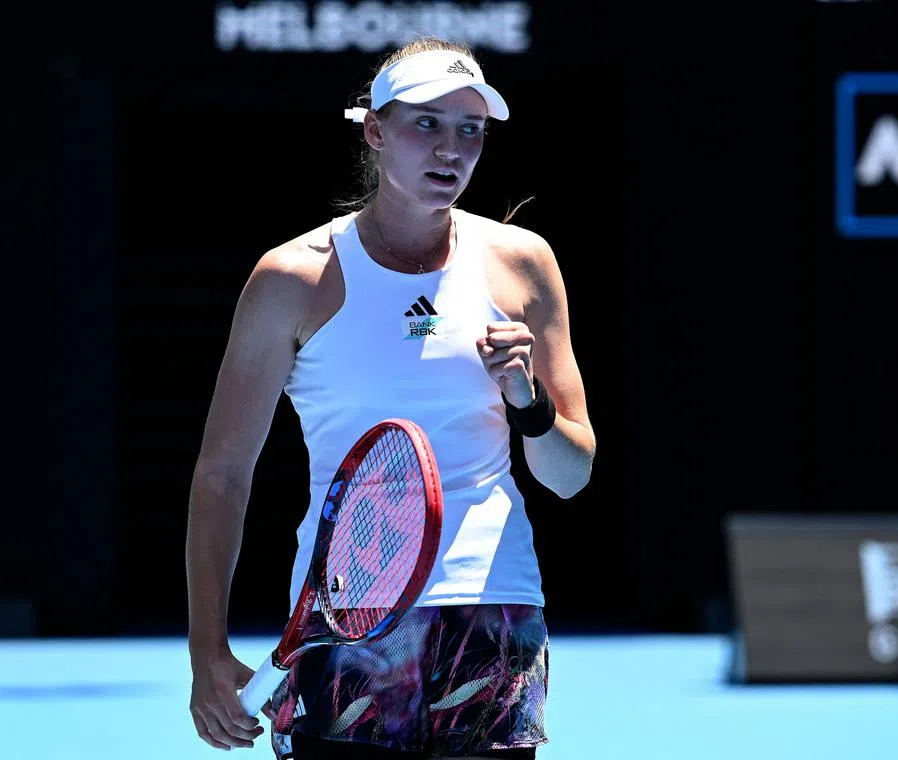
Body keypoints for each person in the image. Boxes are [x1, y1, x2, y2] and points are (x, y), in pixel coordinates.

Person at [186, 34, 595, 760]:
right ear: (375, 131)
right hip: (348, 618)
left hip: (495, 608)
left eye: (471, 130)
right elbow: (222, 474)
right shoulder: (290, 280)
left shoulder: (524, 263)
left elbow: (570, 475)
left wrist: (526, 402)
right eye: (427, 124)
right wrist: (207, 652)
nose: (452, 150)